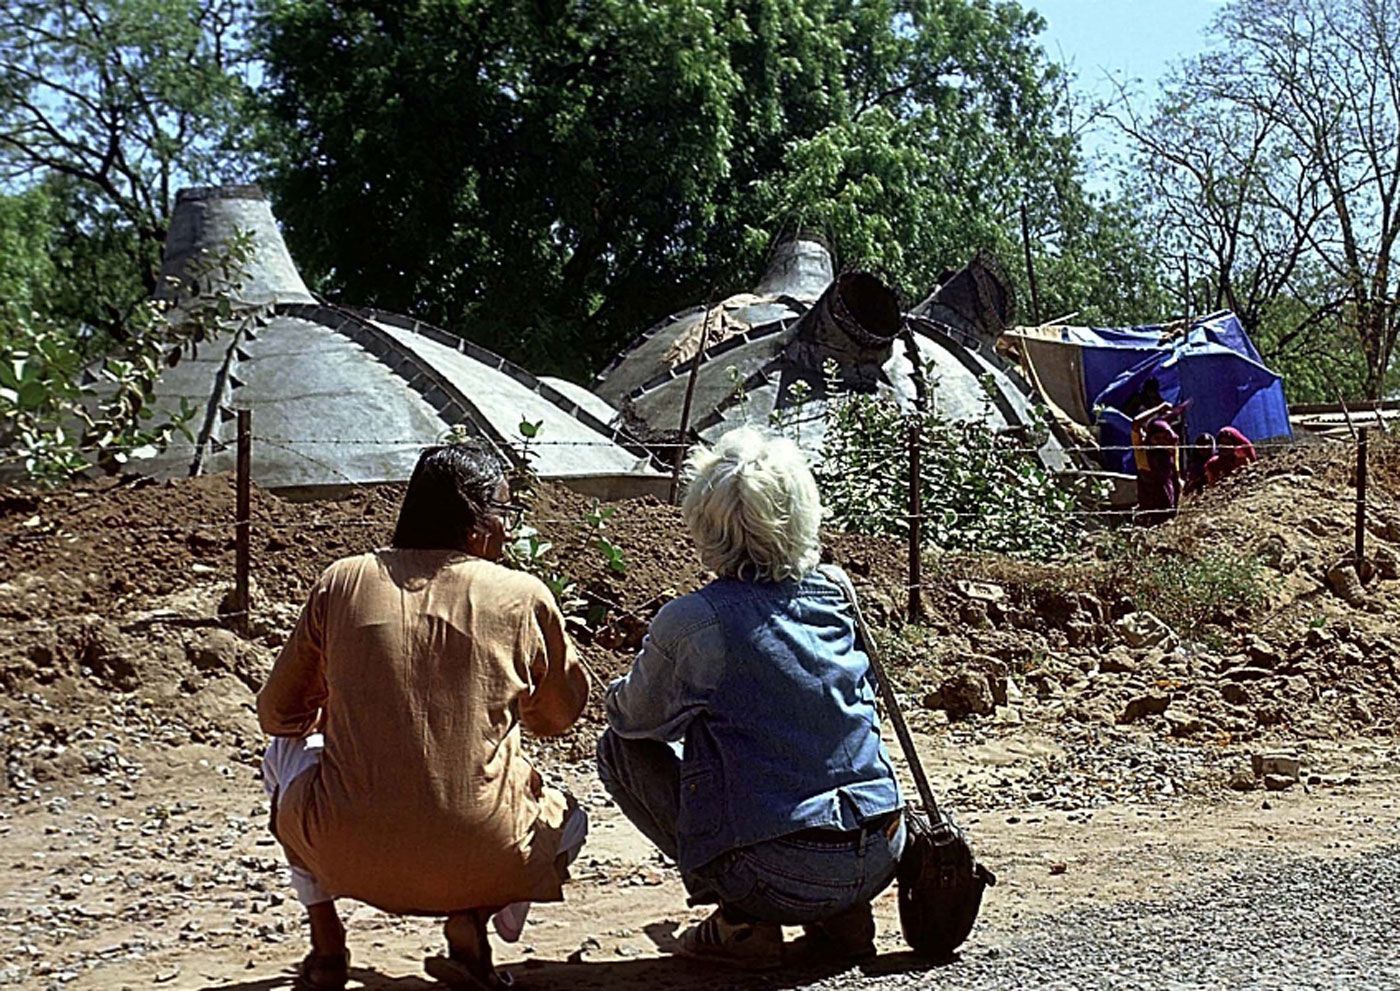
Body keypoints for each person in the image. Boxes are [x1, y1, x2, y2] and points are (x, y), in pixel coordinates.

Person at [257, 444, 589, 991]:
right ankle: (473, 918)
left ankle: (326, 945)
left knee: (280, 756)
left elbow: (277, 714)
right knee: (570, 817)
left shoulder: (343, 581)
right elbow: (559, 717)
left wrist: (336, 712)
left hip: (345, 852)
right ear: (477, 523)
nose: (507, 531)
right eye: (504, 513)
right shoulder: (521, 595)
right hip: (488, 855)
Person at [597, 426, 905, 971]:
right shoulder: (836, 590)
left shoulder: (695, 621)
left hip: (778, 868)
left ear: (704, 522)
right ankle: (843, 913)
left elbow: (634, 718)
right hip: (883, 847)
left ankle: (745, 919)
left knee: (618, 747)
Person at [1131, 402, 1180, 525]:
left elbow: (1177, 480)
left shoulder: (1170, 455)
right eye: (1157, 438)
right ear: (1150, 438)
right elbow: (1136, 423)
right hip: (1149, 514)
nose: (1161, 442)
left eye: (1165, 438)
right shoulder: (1143, 453)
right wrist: (1158, 408)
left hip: (1169, 513)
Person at [1183, 432, 1217, 497]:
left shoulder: (1216, 463)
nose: (1204, 449)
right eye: (1201, 446)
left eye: (1207, 445)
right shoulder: (1193, 465)